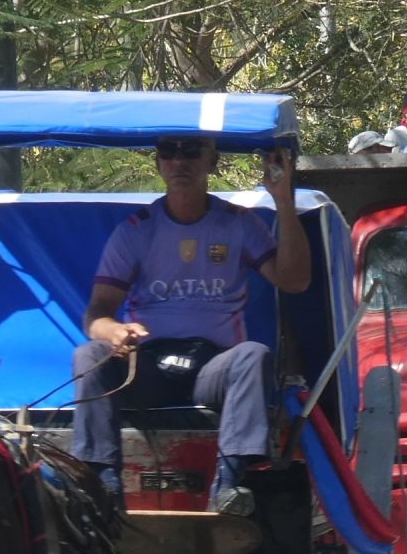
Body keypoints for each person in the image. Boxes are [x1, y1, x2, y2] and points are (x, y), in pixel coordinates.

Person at [70, 136, 311, 516]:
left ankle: (228, 486)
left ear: (212, 161)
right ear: (158, 164)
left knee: (253, 354)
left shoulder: (239, 224)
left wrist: (283, 200)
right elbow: (95, 315)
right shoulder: (136, 230)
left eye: (191, 151)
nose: (179, 161)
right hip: (145, 366)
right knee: (89, 355)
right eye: (169, 151)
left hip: (212, 369)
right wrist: (113, 332)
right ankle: (104, 485)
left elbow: (294, 281)